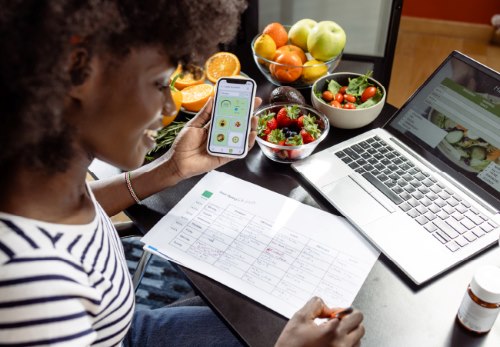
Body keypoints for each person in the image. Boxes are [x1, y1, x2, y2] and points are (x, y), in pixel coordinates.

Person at [0, 1, 365, 346]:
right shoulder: (33, 287)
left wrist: (168, 169)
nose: (171, 106)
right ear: (79, 72)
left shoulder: (38, 172)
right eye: (159, 84)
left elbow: (74, 206)